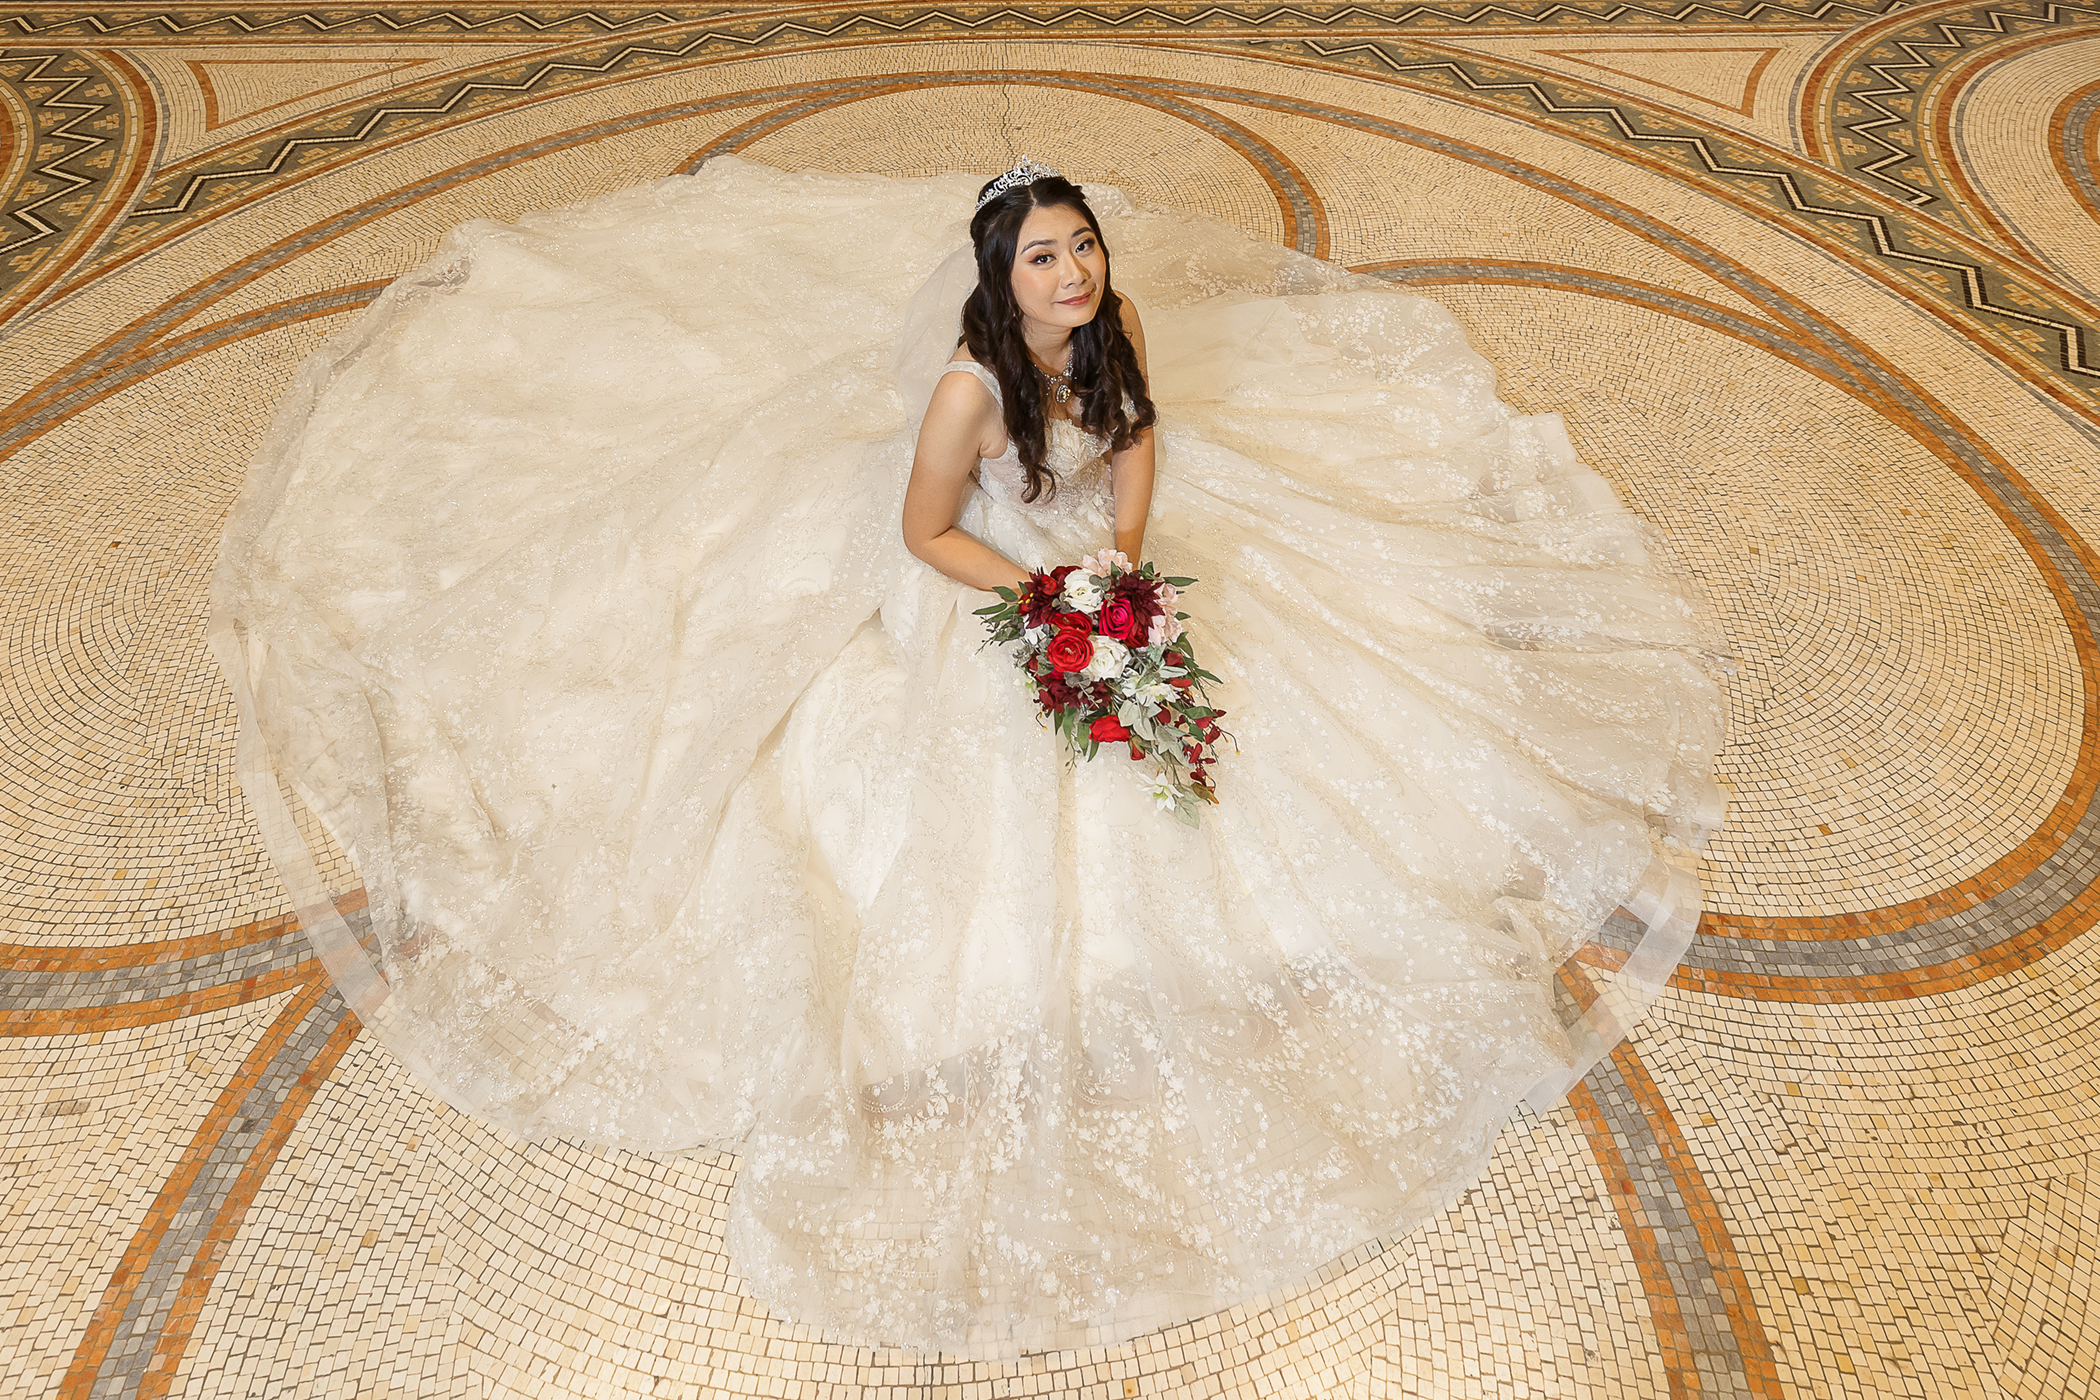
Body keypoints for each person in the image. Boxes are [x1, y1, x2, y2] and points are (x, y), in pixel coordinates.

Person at [211, 156, 1725, 1355]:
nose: (1074, 275)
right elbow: (925, 531)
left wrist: (1123, 563)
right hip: (981, 566)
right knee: (969, 783)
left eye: (1083, 247)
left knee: (1286, 721)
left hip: (1079, 552)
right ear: (999, 278)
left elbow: (1136, 444)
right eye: (1043, 258)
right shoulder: (966, 388)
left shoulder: (1113, 332)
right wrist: (1048, 591)